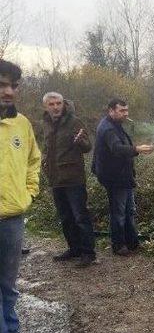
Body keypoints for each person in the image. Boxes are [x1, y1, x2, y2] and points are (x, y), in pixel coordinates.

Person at [0, 59, 40, 333]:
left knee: (8, 284)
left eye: (13, 86)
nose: (9, 91)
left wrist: (28, 192)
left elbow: (33, 160)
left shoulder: (22, 124)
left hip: (13, 217)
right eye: (2, 85)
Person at [92, 98, 153, 255]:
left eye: (126, 110)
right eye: (122, 111)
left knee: (129, 210)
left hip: (123, 176)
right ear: (111, 111)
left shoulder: (115, 125)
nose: (125, 114)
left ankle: (131, 242)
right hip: (114, 177)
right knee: (119, 212)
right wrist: (137, 149)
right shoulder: (108, 129)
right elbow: (117, 149)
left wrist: (135, 150)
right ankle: (119, 245)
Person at [41, 92, 96, 266]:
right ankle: (74, 249)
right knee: (65, 217)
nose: (56, 107)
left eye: (58, 103)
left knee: (80, 216)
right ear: (46, 106)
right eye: (52, 104)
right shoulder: (46, 123)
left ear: (63, 104)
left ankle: (88, 253)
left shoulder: (75, 122)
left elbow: (87, 147)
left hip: (73, 178)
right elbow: (47, 147)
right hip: (55, 178)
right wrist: (44, 162)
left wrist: (80, 141)